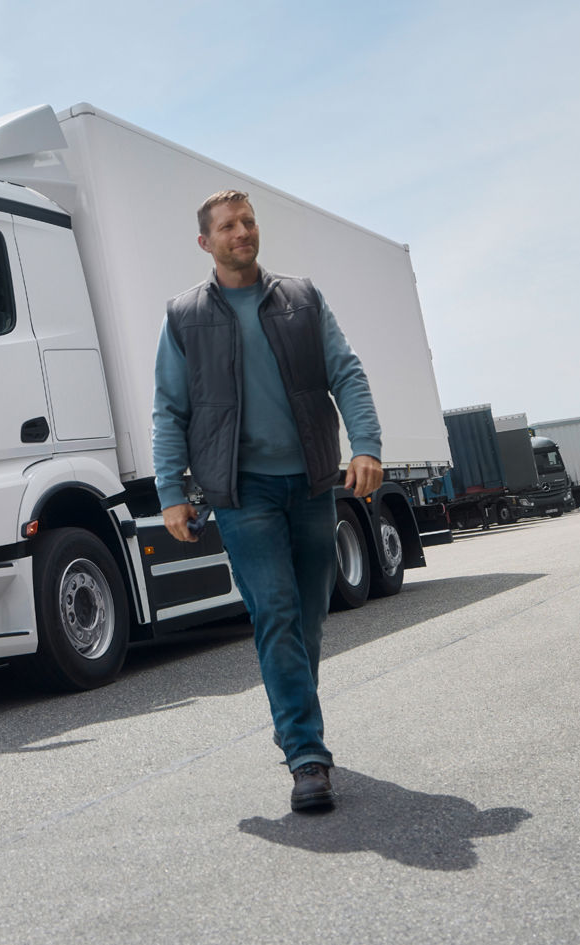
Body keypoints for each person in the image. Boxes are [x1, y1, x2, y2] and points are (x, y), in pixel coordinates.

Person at [152, 190, 383, 812]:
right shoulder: (184, 316)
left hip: (310, 482)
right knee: (275, 612)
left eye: (248, 222)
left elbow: (347, 373)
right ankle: (307, 757)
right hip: (241, 490)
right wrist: (171, 491)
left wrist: (366, 444)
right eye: (228, 226)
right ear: (206, 242)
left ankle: (290, 722)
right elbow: (169, 410)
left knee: (307, 618)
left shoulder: (302, 300)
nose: (242, 232)